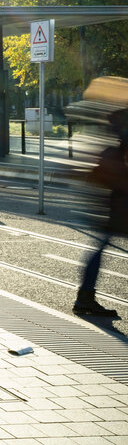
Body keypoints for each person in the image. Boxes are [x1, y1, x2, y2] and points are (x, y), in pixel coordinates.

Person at [73, 109, 128, 317]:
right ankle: (84, 298)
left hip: (117, 203)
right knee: (100, 248)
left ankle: (85, 297)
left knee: (100, 247)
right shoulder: (120, 146)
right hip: (121, 204)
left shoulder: (117, 140)